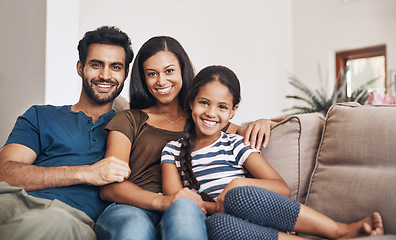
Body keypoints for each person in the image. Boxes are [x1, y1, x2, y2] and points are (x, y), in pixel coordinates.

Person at [161, 65, 384, 240]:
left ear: (233, 111)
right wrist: (218, 206)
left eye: (222, 107)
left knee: (237, 194)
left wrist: (237, 186)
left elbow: (281, 188)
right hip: (230, 229)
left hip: (256, 213)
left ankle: (339, 230)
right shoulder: (172, 151)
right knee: (218, 226)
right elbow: (177, 201)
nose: (211, 113)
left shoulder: (235, 143)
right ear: (191, 102)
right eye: (204, 103)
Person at [93, 36, 275, 240]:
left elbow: (244, 129)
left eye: (169, 71)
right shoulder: (129, 119)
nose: (161, 81)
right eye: (152, 74)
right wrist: (163, 200)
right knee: (135, 230)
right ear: (143, 79)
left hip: (184, 207)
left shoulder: (203, 119)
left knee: (185, 216)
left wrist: (265, 122)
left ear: (182, 71)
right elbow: (110, 186)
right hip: (131, 208)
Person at [0, 26, 133, 240]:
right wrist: (86, 173)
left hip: (70, 218)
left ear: (126, 73)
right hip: (12, 200)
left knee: (49, 224)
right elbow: (5, 172)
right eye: (96, 65)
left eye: (115, 67)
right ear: (80, 68)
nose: (105, 75)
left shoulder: (130, 127)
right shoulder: (39, 115)